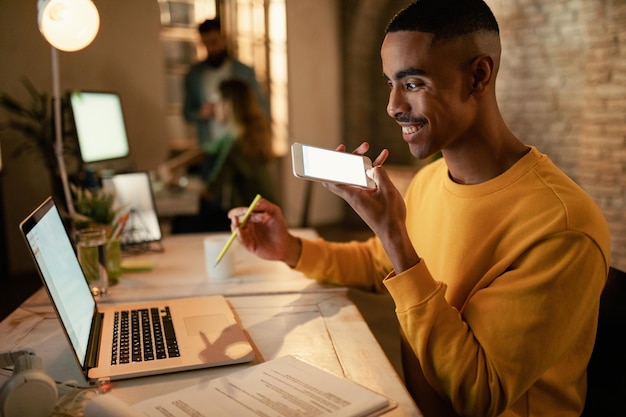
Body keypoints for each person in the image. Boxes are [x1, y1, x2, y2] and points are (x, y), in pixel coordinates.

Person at [227, 1, 611, 416]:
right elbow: (380, 265)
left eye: (412, 83)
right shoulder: (430, 179)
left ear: (478, 76)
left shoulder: (561, 225)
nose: (392, 105)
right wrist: (291, 249)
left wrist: (394, 234)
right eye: (390, 82)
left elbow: (477, 394)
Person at [161, 78, 275, 232]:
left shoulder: (237, 143)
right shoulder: (243, 133)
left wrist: (178, 181)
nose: (214, 107)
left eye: (217, 101)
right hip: (263, 212)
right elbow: (206, 150)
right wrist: (173, 165)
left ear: (229, 104)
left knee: (182, 223)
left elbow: (210, 190)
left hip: (253, 219)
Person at [183, 18, 269, 149]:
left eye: (214, 42)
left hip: (240, 145)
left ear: (224, 39)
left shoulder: (244, 72)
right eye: (206, 44)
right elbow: (187, 112)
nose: (211, 48)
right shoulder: (195, 75)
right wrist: (201, 113)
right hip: (209, 144)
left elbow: (261, 108)